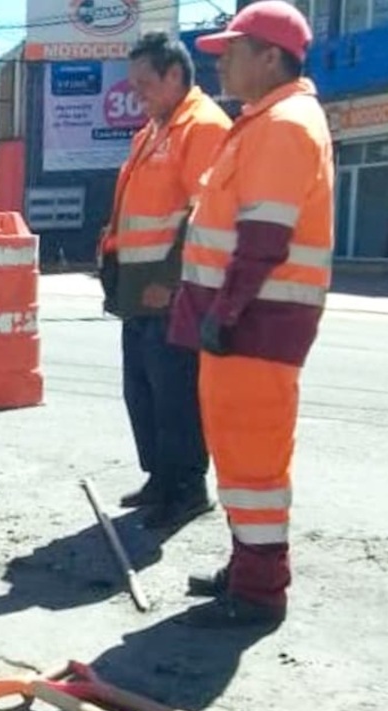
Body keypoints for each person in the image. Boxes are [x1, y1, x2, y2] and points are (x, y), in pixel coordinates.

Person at [171, 0, 333, 627]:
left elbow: (264, 236)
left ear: (271, 58)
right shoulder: (266, 120)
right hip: (243, 321)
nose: (222, 64)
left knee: (254, 463)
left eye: (232, 52)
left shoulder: (285, 123)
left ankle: (261, 590)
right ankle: (248, 568)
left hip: (254, 323)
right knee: (238, 456)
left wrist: (227, 312)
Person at [99, 32, 231, 529]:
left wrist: (172, 278)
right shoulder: (153, 130)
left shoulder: (203, 126)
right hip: (136, 288)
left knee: (175, 393)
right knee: (143, 390)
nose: (137, 94)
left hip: (170, 288)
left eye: (145, 83)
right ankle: (160, 477)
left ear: (175, 74)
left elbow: (206, 213)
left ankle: (188, 488)